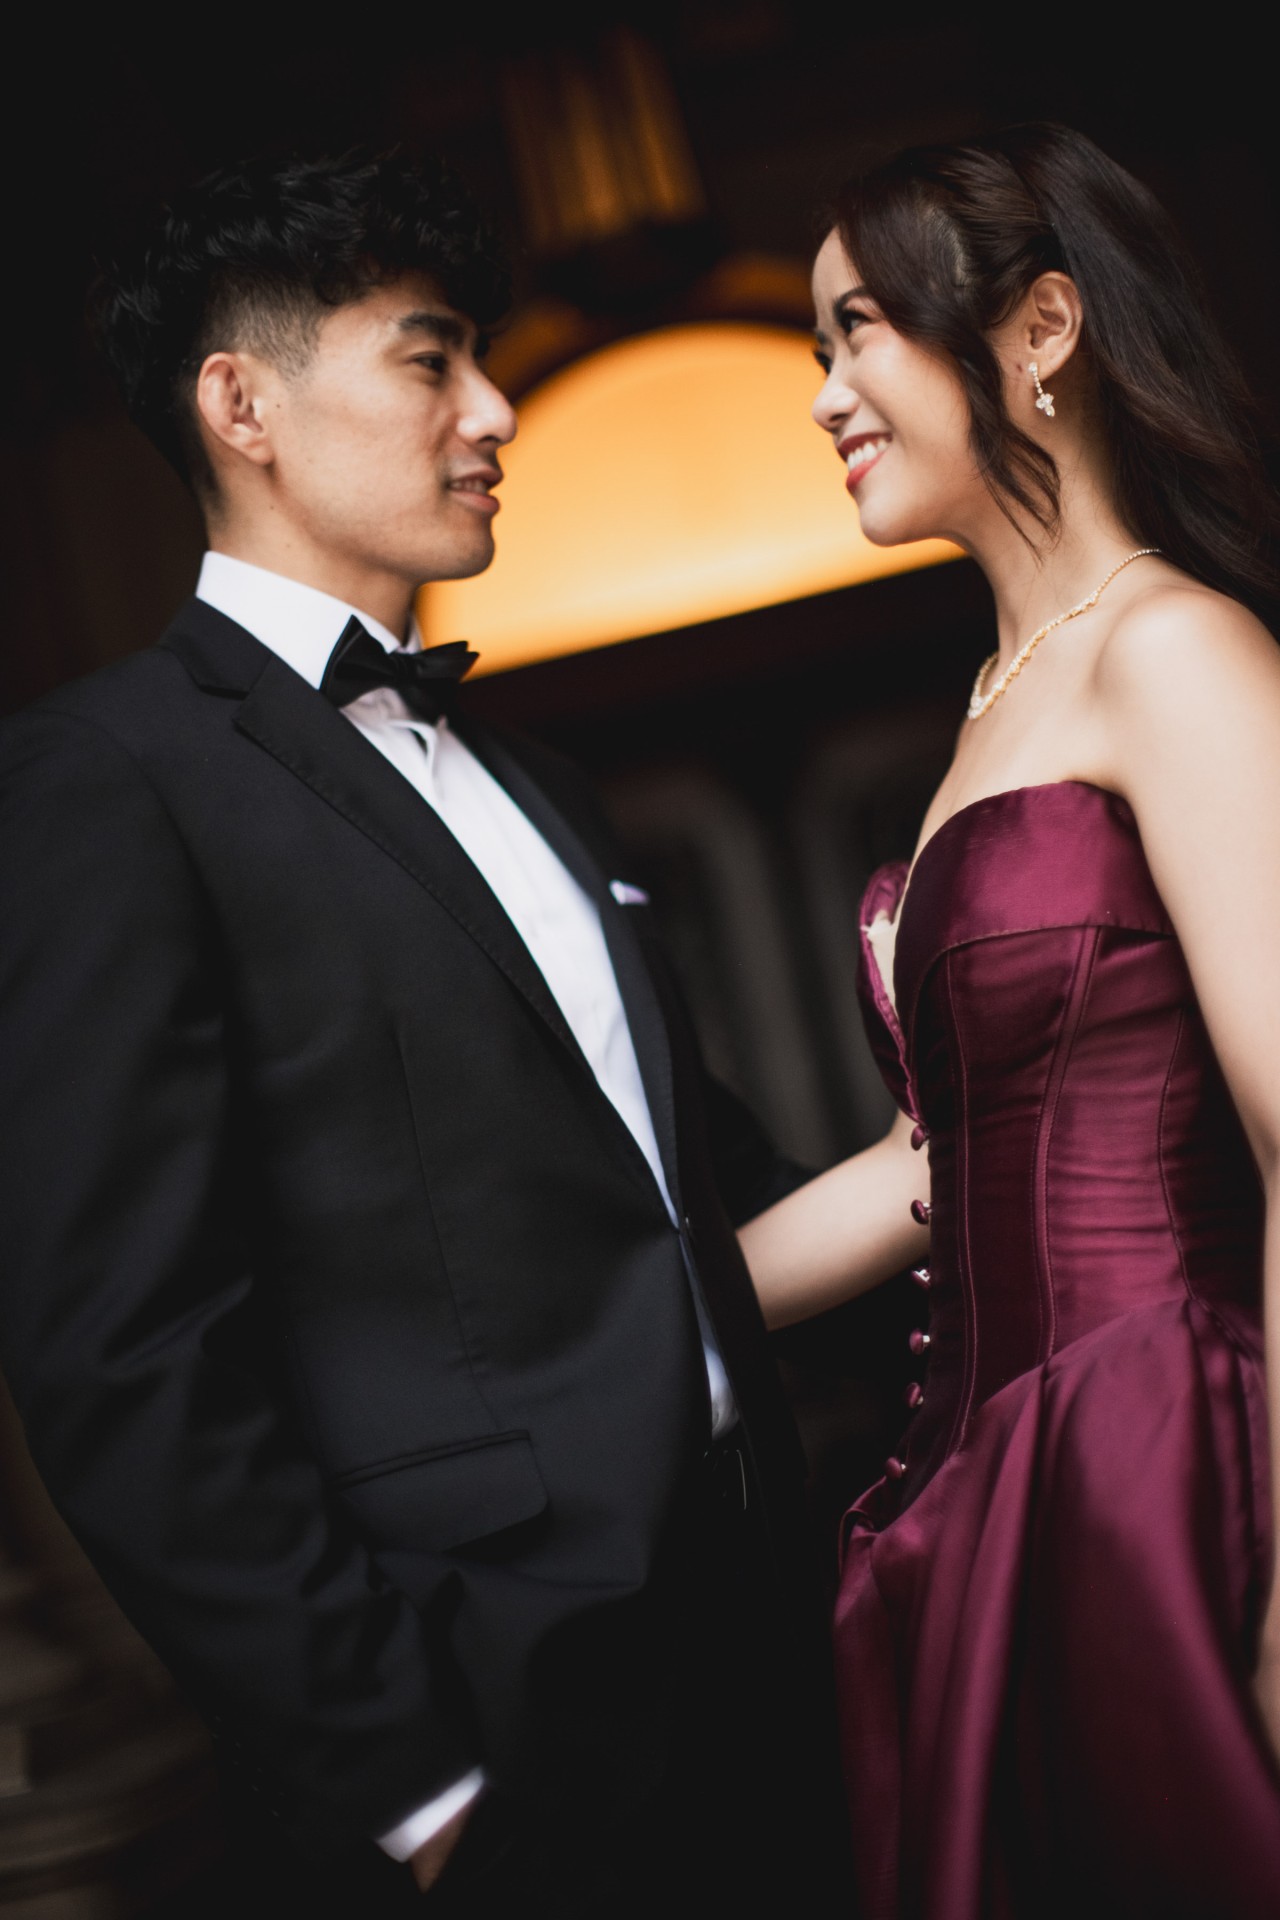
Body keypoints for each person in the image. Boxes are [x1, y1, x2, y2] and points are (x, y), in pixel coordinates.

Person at [0, 151, 842, 1915]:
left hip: (769, 1627)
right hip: (491, 1723)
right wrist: (419, 1790)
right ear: (242, 406)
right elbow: (127, 1357)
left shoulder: (536, 779)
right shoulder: (105, 781)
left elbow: (710, 1203)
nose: (497, 409)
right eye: (430, 356)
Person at [738, 124, 1280, 1919]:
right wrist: (629, 1317)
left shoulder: (1173, 652)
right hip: (995, 1479)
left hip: (1159, 1445)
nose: (826, 393)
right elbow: (936, 1161)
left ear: (1042, 330)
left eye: (860, 329)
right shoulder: (999, 699)